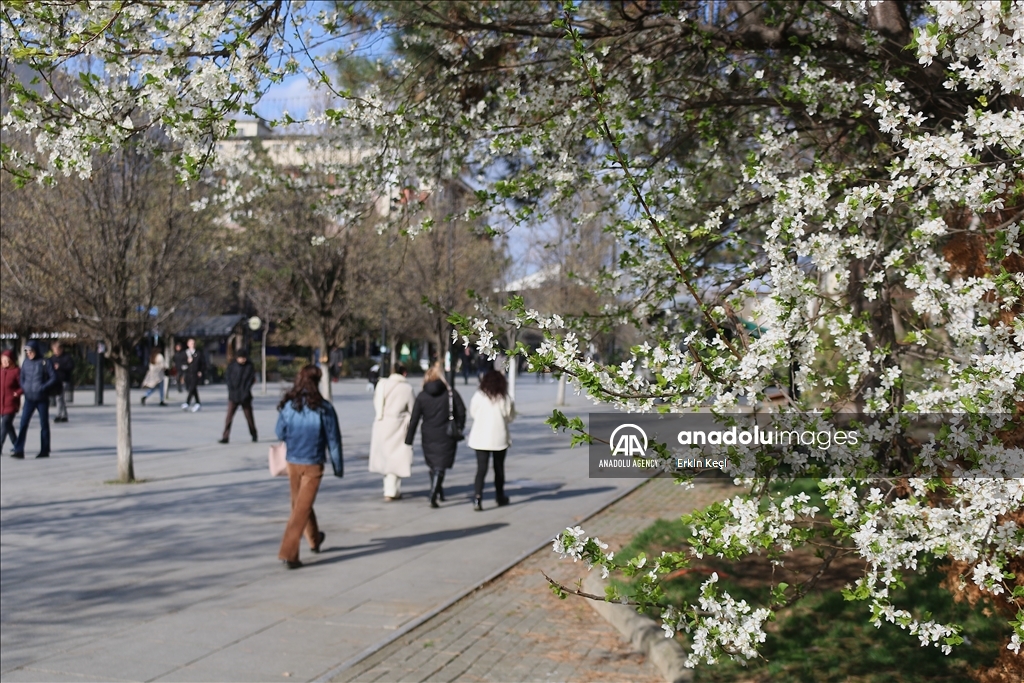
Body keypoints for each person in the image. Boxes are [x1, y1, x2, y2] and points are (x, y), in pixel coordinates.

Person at [275, 365, 342, 569]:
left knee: (300, 506)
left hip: (293, 461)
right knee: (301, 508)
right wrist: (337, 465)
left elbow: (279, 432)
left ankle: (314, 539)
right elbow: (334, 439)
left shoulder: (289, 406)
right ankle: (289, 554)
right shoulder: (324, 408)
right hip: (313, 463)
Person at [405, 362, 466, 508]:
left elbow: (414, 418)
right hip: (446, 434)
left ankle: (438, 490)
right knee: (440, 465)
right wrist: (459, 427)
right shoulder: (450, 393)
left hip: (428, 433)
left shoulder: (422, 396)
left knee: (434, 464)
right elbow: (462, 411)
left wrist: (409, 439)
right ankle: (434, 493)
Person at [467, 369, 515, 511]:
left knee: (481, 469)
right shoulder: (505, 397)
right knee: (498, 469)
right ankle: (500, 496)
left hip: (480, 437)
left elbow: (473, 412)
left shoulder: (479, 396)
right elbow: (510, 417)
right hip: (498, 437)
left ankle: (477, 497)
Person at [368, 363, 415, 500]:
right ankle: (392, 490)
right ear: (404, 373)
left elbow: (377, 403)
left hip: (382, 424)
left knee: (385, 458)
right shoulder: (407, 388)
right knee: (396, 458)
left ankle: (389, 489)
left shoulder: (382, 384)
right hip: (398, 425)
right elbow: (413, 407)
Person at [13, 340, 58, 459]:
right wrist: (24, 387)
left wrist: (43, 387)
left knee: (44, 424)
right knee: (23, 423)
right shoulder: (26, 363)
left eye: (30, 351)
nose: (29, 353)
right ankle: (19, 450)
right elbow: (21, 378)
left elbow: (53, 377)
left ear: (36, 351)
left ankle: (45, 450)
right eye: (27, 351)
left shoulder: (45, 362)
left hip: (42, 398)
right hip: (29, 398)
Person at [220, 349, 257, 443]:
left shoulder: (249, 366)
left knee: (249, 417)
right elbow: (228, 378)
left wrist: (246, 391)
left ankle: (254, 434)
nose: (243, 360)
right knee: (229, 417)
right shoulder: (232, 366)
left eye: (244, 358)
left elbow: (250, 380)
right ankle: (225, 437)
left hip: (245, 396)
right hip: (233, 396)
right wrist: (231, 389)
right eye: (241, 358)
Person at [1, 350, 22, 455]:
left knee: (4, 424)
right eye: (3, 360)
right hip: (1, 404)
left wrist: (17, 393)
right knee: (8, 426)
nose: (5, 362)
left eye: (7, 360)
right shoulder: (0, 371)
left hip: (11, 403)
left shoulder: (16, 371)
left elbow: (23, 385)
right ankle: (17, 445)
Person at [49, 342, 75, 423]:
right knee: (61, 399)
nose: (55, 352)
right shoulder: (52, 358)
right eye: (54, 350)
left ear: (61, 349)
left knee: (59, 398)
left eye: (57, 350)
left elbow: (70, 367)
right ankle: (64, 415)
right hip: (56, 381)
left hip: (64, 380)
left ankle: (59, 415)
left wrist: (60, 366)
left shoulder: (67, 357)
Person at [181, 338, 205, 412]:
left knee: (192, 387)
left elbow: (203, 363)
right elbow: (181, 363)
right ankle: (198, 403)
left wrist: (200, 371)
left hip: (195, 373)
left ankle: (187, 402)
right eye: (191, 343)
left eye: (194, 343)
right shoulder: (185, 353)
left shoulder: (198, 353)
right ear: (188, 344)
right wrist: (187, 362)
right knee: (192, 389)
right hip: (188, 373)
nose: (193, 345)